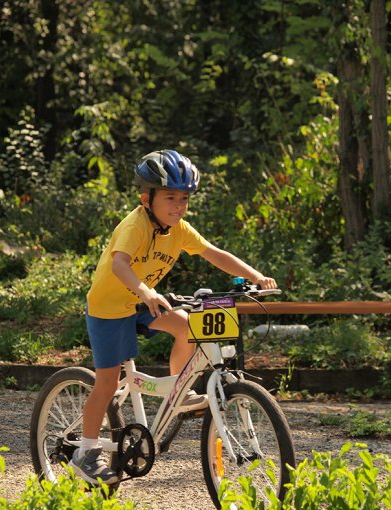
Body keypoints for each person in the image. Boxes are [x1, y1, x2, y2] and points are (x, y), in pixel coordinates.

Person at [69, 149, 277, 485]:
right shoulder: (135, 226)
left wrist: (256, 277)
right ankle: (86, 453)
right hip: (109, 310)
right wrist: (148, 292)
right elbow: (120, 264)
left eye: (184, 198)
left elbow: (214, 254)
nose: (179, 205)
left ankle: (177, 391)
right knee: (106, 381)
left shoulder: (179, 230)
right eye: (170, 197)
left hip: (140, 305)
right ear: (146, 198)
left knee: (188, 326)